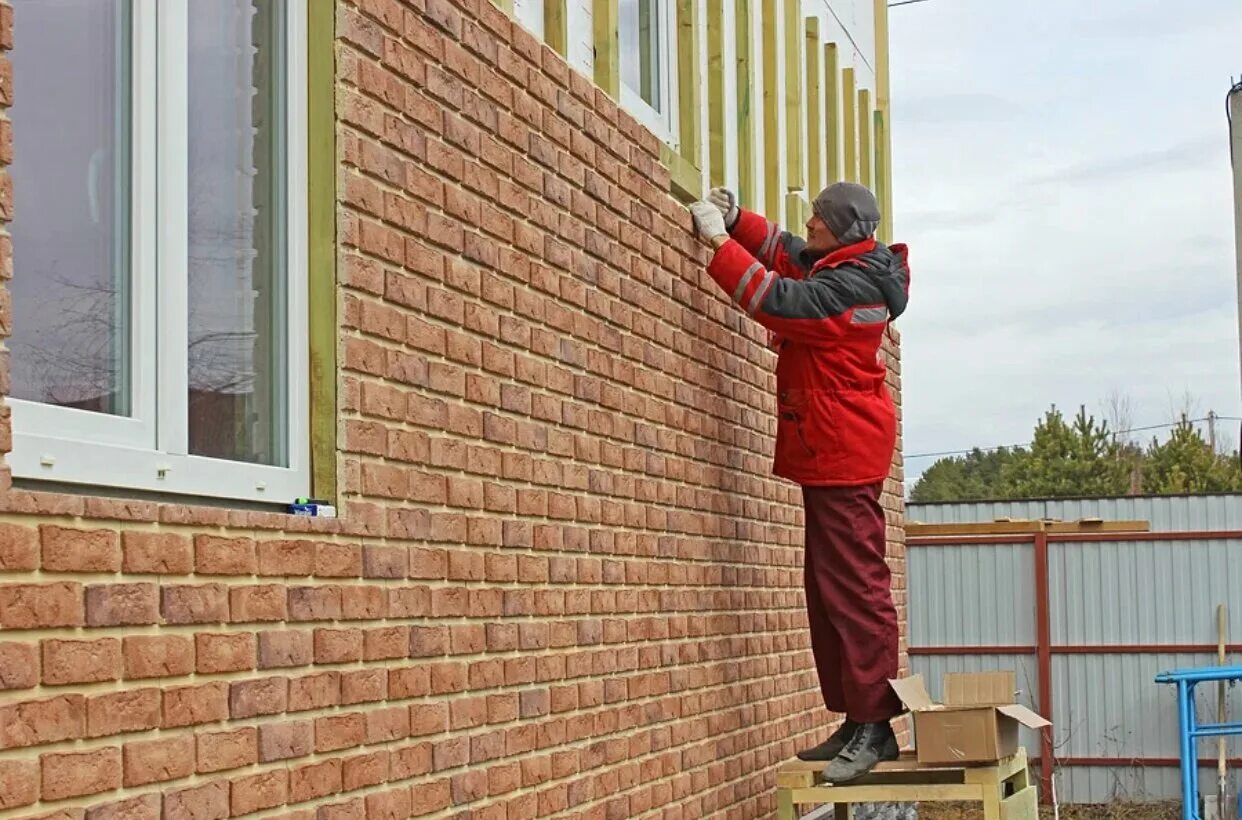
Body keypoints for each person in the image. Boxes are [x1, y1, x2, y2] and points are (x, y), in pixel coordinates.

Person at [688, 182, 911, 783]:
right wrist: (739, 222)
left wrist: (715, 242)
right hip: (832, 450)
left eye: (818, 216)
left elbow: (777, 297)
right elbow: (790, 254)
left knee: (856, 592)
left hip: (844, 452)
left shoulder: (850, 288)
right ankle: (857, 717)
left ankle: (876, 726)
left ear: (841, 227)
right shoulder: (847, 265)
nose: (808, 223)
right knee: (828, 588)